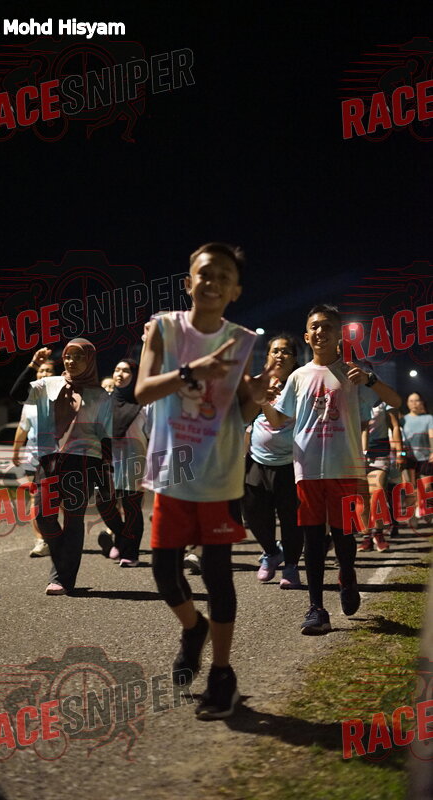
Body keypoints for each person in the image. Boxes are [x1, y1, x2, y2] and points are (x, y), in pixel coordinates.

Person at [136, 242, 271, 719]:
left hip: (219, 472)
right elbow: (142, 390)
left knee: (217, 575)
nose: (213, 283)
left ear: (235, 291)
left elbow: (241, 411)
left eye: (224, 277)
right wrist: (192, 370)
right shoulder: (164, 328)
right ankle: (194, 628)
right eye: (205, 273)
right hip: (173, 469)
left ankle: (222, 673)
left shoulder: (241, 340)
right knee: (164, 573)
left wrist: (255, 395)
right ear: (188, 281)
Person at [262, 304, 401, 635]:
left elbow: (395, 401)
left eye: (327, 326)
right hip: (307, 469)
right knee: (313, 537)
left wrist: (370, 380)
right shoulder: (298, 377)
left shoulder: (354, 373)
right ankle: (316, 608)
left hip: (346, 468)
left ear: (339, 334)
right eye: (315, 327)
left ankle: (347, 576)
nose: (320, 331)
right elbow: (278, 419)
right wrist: (262, 400)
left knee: (343, 534)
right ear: (307, 335)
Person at [10, 338, 112, 595]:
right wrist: (33, 365)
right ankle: (63, 560)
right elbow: (17, 394)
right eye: (68, 356)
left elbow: (106, 436)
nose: (71, 361)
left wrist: (105, 473)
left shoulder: (100, 395)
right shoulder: (48, 384)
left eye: (79, 357)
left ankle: (62, 579)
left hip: (83, 461)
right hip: (49, 459)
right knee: (43, 516)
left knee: (73, 520)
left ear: (90, 360)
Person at [243, 334, 303, 588]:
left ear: (294, 358)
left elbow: (282, 419)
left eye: (285, 351)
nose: (280, 355)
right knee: (253, 512)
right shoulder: (258, 382)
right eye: (275, 351)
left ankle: (291, 566)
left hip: (291, 461)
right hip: (257, 459)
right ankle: (271, 552)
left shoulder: (302, 382)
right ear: (267, 356)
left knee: (291, 518)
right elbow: (244, 417)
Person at [97, 359, 150, 566]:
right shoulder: (104, 402)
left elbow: (152, 433)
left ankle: (131, 553)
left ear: (135, 376)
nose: (120, 374)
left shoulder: (144, 403)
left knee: (131, 508)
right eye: (117, 369)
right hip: (106, 460)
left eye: (126, 371)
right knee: (103, 503)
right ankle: (121, 537)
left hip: (133, 461)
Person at [12, 358, 56, 557]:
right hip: (34, 457)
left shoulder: (61, 396)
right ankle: (41, 540)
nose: (44, 374)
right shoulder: (29, 401)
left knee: (55, 499)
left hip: (56, 457)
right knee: (34, 499)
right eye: (41, 370)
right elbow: (23, 428)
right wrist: (16, 451)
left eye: (49, 371)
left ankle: (57, 536)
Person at [358, 378, 403, 552]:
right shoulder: (352, 396)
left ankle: (378, 533)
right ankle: (366, 537)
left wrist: (400, 453)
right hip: (357, 451)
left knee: (377, 493)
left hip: (380, 450)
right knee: (362, 497)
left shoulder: (384, 398)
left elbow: (395, 426)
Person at [402, 393, 433, 523]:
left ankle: (427, 510)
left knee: (427, 487)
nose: (414, 403)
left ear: (422, 402)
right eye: (411, 401)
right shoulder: (403, 419)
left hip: (425, 457)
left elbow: (431, 436)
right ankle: (412, 516)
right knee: (410, 488)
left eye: (417, 400)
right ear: (407, 403)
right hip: (409, 458)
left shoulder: (428, 418)